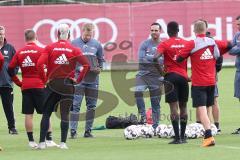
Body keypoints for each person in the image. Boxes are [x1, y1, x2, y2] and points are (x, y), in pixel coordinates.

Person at [37, 23, 90, 149]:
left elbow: (39, 64)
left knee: (46, 113)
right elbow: (87, 65)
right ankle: (63, 143)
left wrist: (45, 79)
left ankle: (41, 143)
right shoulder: (74, 49)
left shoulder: (49, 48)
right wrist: (78, 80)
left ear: (57, 34)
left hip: (53, 84)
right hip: (68, 85)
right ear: (69, 35)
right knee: (65, 114)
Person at [7, 29, 58, 149]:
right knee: (46, 113)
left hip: (26, 86)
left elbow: (10, 69)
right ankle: (49, 139)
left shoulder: (20, 52)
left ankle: (31, 141)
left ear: (25, 39)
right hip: (39, 85)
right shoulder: (41, 50)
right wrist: (46, 79)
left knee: (28, 114)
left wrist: (19, 82)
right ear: (36, 37)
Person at [176, 20, 223, 147]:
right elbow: (218, 57)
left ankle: (208, 136)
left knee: (201, 109)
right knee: (207, 107)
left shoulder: (192, 43)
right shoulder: (212, 42)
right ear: (206, 28)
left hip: (199, 82)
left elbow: (179, 58)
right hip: (211, 81)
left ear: (194, 31)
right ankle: (209, 131)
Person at [154, 21, 189, 144]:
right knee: (183, 106)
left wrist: (162, 73)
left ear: (168, 31)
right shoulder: (186, 43)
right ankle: (183, 137)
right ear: (178, 30)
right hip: (183, 77)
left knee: (173, 107)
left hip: (171, 77)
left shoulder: (165, 43)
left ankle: (177, 138)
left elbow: (155, 58)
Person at [69, 23, 104, 138]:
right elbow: (70, 61)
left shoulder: (97, 44)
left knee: (92, 106)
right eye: (86, 35)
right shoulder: (74, 44)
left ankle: (88, 131)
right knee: (76, 105)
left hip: (93, 79)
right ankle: (73, 131)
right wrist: (78, 69)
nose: (88, 37)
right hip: (79, 80)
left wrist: (99, 69)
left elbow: (100, 60)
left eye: (90, 35)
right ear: (82, 32)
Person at [134, 22, 163, 130]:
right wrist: (157, 59)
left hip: (157, 77)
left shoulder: (163, 45)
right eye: (152, 30)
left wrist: (150, 58)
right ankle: (143, 117)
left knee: (155, 103)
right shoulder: (144, 44)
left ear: (160, 31)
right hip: (143, 75)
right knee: (138, 91)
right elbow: (142, 59)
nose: (154, 32)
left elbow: (164, 60)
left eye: (156, 30)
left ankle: (155, 127)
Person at [0, 26, 18, 134]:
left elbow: (16, 64)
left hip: (6, 83)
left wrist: (12, 75)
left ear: (4, 34)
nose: (0, 36)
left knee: (8, 107)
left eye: (2, 34)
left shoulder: (10, 48)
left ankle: (12, 127)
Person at [228, 15, 240, 134]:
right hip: (238, 71)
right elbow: (230, 49)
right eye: (237, 24)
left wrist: (236, 48)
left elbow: (234, 49)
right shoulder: (237, 35)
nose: (238, 27)